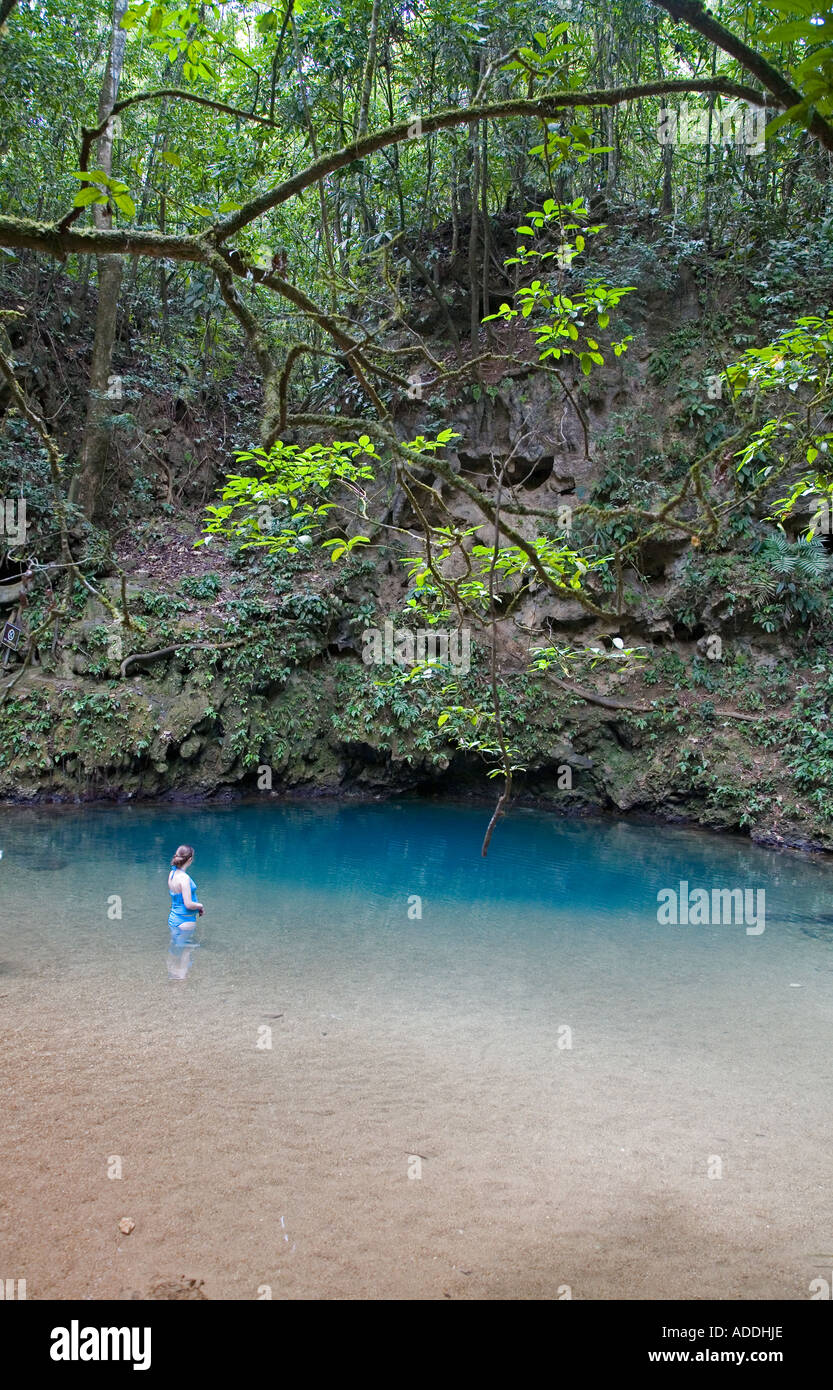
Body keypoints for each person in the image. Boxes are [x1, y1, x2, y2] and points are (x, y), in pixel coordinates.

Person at [167, 844, 204, 947]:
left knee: (175, 949)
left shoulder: (172, 873)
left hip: (173, 919)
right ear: (190, 859)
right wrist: (200, 906)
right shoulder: (184, 878)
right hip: (185, 920)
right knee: (186, 953)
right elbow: (188, 904)